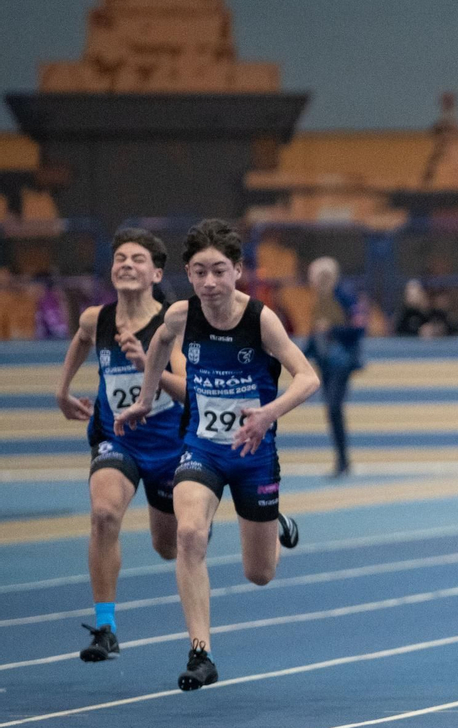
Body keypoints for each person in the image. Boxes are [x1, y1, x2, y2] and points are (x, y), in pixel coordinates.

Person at [116, 219, 320, 691]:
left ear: (238, 271)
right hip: (202, 448)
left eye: (220, 271)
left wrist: (268, 413)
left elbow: (308, 378)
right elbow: (158, 348)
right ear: (187, 273)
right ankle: (200, 652)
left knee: (260, 574)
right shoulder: (180, 316)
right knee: (189, 535)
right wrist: (146, 399)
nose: (210, 283)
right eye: (200, 272)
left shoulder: (261, 320)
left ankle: (276, 523)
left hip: (254, 453)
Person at [55, 228, 187, 664]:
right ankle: (106, 627)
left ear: (155, 273)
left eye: (137, 259)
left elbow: (188, 389)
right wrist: (63, 389)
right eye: (120, 259)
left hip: (169, 446)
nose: (126, 265)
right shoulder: (99, 319)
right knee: (104, 513)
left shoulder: (173, 323)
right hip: (119, 439)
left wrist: (144, 364)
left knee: (166, 547)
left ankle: (187, 506)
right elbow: (80, 339)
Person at [305, 256, 365, 477]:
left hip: (341, 362)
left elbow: (359, 329)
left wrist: (333, 328)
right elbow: (316, 335)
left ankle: (343, 461)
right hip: (326, 363)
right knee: (332, 411)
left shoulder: (345, 297)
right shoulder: (322, 299)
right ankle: (341, 460)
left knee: (334, 407)